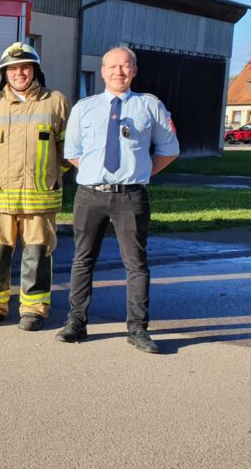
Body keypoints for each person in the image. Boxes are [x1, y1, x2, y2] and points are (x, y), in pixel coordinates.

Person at [56, 46, 179, 353]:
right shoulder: (84, 107)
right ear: (102, 71)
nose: (118, 72)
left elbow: (169, 148)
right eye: (112, 67)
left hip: (131, 197)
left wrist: (143, 171)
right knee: (82, 260)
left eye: (125, 67)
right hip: (90, 195)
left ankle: (137, 330)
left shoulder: (150, 106)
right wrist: (97, 172)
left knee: (136, 264)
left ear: (134, 71)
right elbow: (72, 152)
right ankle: (76, 323)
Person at [0, 42, 71, 331]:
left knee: (36, 257)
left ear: (35, 70)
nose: (19, 73)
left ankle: (34, 309)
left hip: (40, 199)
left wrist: (51, 175)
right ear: (4, 73)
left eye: (25, 67)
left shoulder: (55, 102)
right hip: (1, 198)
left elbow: (69, 148)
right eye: (13, 69)